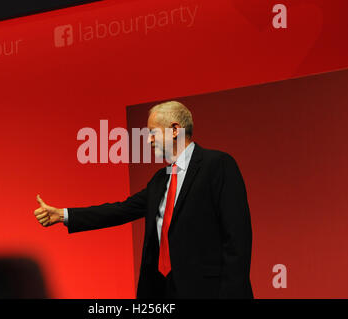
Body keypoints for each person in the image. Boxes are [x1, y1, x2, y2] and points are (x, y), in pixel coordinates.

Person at [33, 101, 253, 299]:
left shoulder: (218, 165)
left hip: (208, 293)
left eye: (152, 132)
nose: (148, 140)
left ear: (175, 130)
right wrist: (64, 215)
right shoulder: (160, 180)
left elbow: (237, 237)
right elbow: (121, 210)